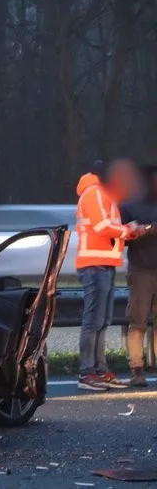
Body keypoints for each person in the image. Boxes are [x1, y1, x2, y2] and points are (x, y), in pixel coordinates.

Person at [75, 159, 147, 391]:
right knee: (94, 321)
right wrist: (129, 230)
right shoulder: (94, 192)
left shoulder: (102, 194)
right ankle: (87, 373)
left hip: (103, 264)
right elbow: (101, 226)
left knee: (102, 321)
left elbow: (109, 230)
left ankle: (99, 370)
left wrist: (131, 233)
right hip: (94, 264)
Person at [120, 165, 157, 386]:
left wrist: (149, 229)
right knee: (138, 322)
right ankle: (136, 369)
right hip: (140, 270)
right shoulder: (129, 205)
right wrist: (132, 231)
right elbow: (119, 232)